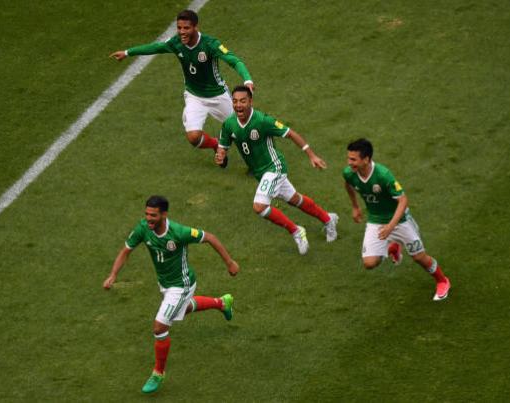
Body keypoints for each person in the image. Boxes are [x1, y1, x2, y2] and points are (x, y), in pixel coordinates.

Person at [103, 195, 239, 394]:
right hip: (165, 285)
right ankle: (222, 303)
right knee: (184, 308)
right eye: (147, 214)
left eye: (153, 215)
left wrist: (230, 262)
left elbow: (209, 237)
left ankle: (158, 372)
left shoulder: (179, 232)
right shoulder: (143, 229)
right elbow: (126, 250)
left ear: (164, 215)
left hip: (182, 285)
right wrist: (113, 274)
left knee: (160, 327)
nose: (148, 218)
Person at [110, 9, 254, 167]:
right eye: (179, 28)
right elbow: (156, 47)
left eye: (186, 28)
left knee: (245, 130)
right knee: (193, 137)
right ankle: (216, 145)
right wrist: (127, 52)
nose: (182, 32)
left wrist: (247, 79)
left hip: (218, 96)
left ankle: (260, 164)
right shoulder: (176, 43)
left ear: (196, 27)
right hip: (194, 97)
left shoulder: (210, 44)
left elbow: (234, 61)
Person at [214, 85, 338, 255]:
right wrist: (220, 156)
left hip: (274, 167)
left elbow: (290, 133)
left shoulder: (263, 121)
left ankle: (296, 231)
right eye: (235, 101)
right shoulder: (229, 124)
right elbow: (223, 148)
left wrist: (311, 155)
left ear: (251, 101)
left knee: (259, 206)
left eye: (243, 101)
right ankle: (328, 219)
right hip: (260, 173)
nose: (238, 105)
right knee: (295, 199)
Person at [342, 138, 451, 301]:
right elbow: (348, 184)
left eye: (353, 159)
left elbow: (403, 200)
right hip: (375, 220)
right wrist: (355, 206)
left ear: (366, 159)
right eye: (348, 158)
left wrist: (390, 227)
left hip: (399, 220)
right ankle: (393, 246)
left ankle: (442, 281)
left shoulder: (383, 175)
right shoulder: (349, 173)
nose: (349, 163)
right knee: (369, 263)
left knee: (419, 257)